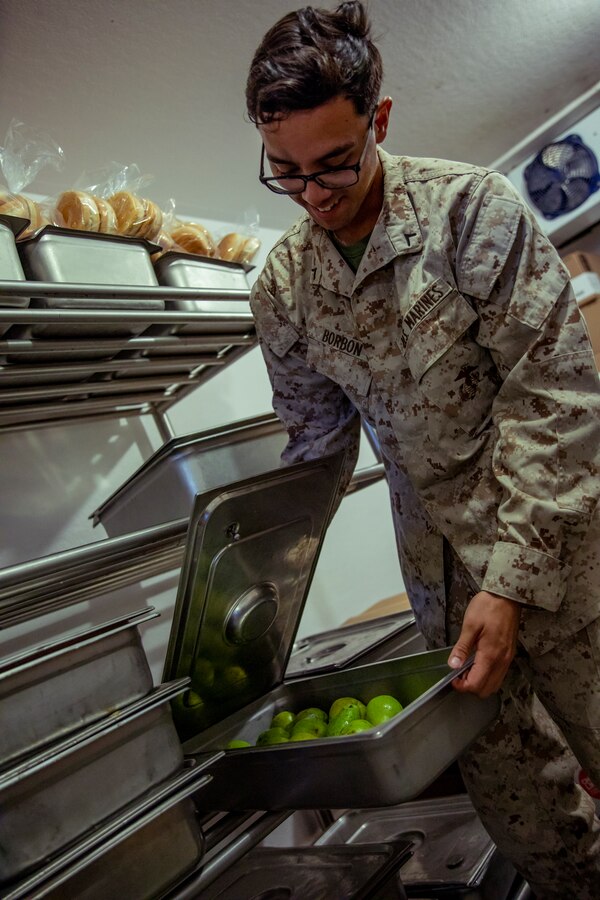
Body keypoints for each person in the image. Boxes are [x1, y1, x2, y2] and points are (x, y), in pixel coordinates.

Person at [245, 2, 600, 897]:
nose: (315, 195)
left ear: (381, 119)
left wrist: (513, 582)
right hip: (443, 592)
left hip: (559, 558)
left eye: (335, 163)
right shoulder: (283, 287)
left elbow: (555, 397)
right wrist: (259, 583)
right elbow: (316, 445)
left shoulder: (472, 212)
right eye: (286, 173)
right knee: (531, 819)